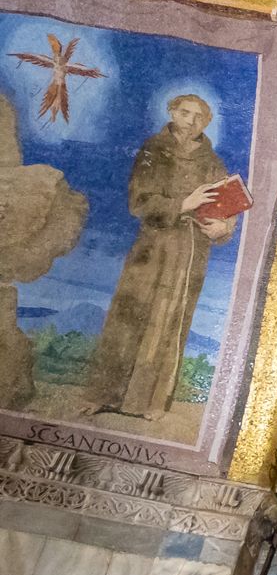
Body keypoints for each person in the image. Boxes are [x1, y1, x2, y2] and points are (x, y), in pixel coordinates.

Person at [85, 94, 238, 420]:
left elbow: (228, 210)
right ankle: (103, 394)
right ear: (171, 113)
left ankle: (150, 402)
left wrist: (222, 228)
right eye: (185, 113)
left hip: (190, 252)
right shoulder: (153, 151)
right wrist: (184, 203)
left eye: (199, 117)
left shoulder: (213, 163)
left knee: (170, 323)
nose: (191, 121)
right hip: (152, 249)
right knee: (129, 316)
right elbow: (139, 202)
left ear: (206, 123)